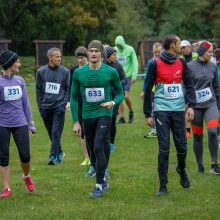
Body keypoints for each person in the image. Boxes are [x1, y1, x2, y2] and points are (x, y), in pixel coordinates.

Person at [70, 40, 124, 198]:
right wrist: (75, 121)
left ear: (102, 54)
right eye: (91, 51)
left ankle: (99, 184)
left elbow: (120, 92)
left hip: (104, 115)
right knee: (94, 150)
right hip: (87, 116)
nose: (93, 54)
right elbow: (73, 98)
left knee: (99, 146)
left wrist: (113, 102)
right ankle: (102, 172)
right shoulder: (79, 73)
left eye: (96, 51)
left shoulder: (110, 72)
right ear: (88, 53)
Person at [143, 34, 196, 196]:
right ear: (172, 45)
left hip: (179, 110)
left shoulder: (181, 62)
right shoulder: (154, 63)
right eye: (179, 43)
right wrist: (148, 113)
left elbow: (189, 84)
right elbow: (148, 88)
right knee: (164, 148)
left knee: (182, 146)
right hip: (161, 110)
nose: (181, 46)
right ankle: (163, 185)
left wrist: (191, 106)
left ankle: (181, 168)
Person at [0, 50, 36, 198]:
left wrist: (30, 123)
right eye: (17, 62)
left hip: (20, 123)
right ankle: (7, 188)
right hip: (2, 124)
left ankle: (26, 176)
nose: (19, 64)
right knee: (3, 156)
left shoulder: (20, 81)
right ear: (9, 64)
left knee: (25, 155)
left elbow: (26, 104)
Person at [188, 42, 220, 174]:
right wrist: (188, 105)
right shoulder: (189, 66)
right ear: (202, 51)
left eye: (212, 52)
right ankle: (200, 165)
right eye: (210, 52)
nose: (212, 54)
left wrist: (219, 105)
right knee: (198, 136)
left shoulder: (213, 66)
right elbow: (186, 87)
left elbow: (217, 87)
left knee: (213, 132)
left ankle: (214, 164)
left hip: (211, 104)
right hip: (196, 106)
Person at [36, 47, 69, 165]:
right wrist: (41, 107)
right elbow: (38, 91)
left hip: (59, 106)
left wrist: (64, 103)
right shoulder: (41, 72)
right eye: (57, 57)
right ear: (50, 57)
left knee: (56, 132)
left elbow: (67, 89)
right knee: (51, 132)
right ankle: (59, 151)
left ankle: (52, 156)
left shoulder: (65, 71)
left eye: (60, 56)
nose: (60, 59)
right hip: (45, 107)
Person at [66, 46, 90, 166]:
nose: (80, 60)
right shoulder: (74, 70)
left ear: (87, 57)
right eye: (78, 58)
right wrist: (69, 101)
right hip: (78, 102)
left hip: (90, 103)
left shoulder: (91, 68)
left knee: (90, 130)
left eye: (82, 57)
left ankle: (92, 156)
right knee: (82, 131)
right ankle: (86, 157)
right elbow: (71, 87)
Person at [105, 46, 127, 151]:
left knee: (112, 121)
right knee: (104, 121)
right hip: (103, 98)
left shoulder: (118, 66)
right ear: (108, 56)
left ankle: (111, 144)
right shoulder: (102, 66)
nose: (116, 56)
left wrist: (116, 84)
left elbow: (124, 80)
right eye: (114, 54)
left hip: (115, 97)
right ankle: (104, 141)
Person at [115, 35, 138, 124]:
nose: (119, 47)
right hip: (118, 76)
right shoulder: (114, 50)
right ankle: (121, 117)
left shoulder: (130, 49)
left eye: (120, 45)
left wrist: (134, 76)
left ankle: (131, 111)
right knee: (120, 97)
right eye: (117, 45)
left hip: (127, 75)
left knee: (126, 96)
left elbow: (135, 62)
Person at [141, 42, 162, 138]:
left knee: (161, 110)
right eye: (155, 52)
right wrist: (143, 90)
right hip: (152, 90)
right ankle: (154, 131)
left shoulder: (165, 61)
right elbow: (146, 78)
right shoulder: (151, 62)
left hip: (162, 90)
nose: (157, 54)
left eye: (158, 52)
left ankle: (162, 129)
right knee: (152, 110)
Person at [180, 40, 198, 138]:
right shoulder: (179, 58)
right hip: (184, 84)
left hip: (197, 84)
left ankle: (198, 128)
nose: (182, 49)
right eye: (181, 48)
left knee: (198, 107)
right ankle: (187, 130)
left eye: (184, 47)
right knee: (186, 106)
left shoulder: (196, 55)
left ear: (189, 47)